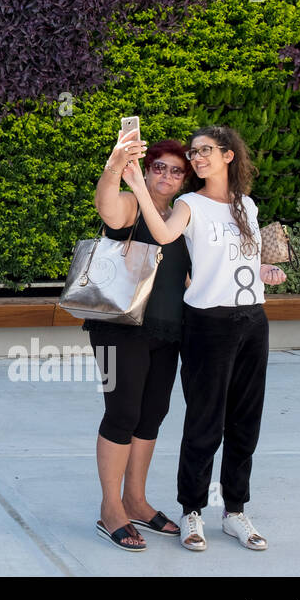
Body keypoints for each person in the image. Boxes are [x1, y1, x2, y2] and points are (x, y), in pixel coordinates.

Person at [122, 125, 287, 552]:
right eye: (194, 152)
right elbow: (163, 235)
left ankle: (235, 512)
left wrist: (265, 271)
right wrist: (139, 184)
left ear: (229, 155)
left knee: (245, 423)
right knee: (204, 424)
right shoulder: (188, 203)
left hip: (253, 320)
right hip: (207, 324)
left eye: (205, 151)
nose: (196, 158)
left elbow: (240, 261)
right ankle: (192, 511)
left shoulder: (246, 206)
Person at [89, 131, 192, 551]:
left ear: (184, 179)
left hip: (168, 328)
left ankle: (136, 499)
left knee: (152, 414)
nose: (166, 175)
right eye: (159, 167)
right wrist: (116, 166)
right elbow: (107, 209)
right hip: (119, 327)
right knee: (123, 412)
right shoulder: (133, 204)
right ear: (147, 170)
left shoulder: (183, 216)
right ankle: (110, 508)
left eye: (176, 171)